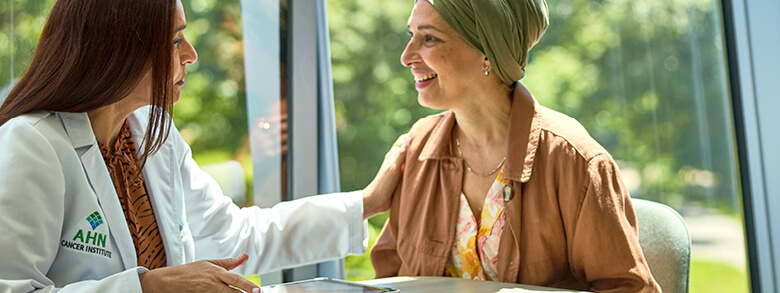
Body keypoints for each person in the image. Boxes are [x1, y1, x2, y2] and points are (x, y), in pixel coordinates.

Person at [0, 0, 407, 292]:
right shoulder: (31, 144)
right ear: (119, 48)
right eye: (176, 40)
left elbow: (232, 239)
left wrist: (367, 202)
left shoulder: (150, 135)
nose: (190, 55)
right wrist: (147, 287)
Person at [369, 1, 661, 292]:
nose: (406, 57)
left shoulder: (575, 160)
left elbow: (629, 288)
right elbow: (388, 279)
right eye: (411, 35)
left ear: (486, 50)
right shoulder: (417, 148)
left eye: (429, 38)